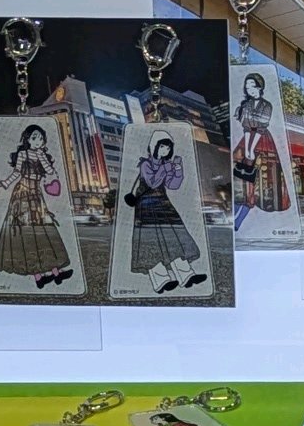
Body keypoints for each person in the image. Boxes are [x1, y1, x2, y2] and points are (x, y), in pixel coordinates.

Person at [0, 120, 76, 287]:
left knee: (45, 230)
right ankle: (38, 276)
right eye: (35, 138)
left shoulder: (41, 154)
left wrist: (44, 158)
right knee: (26, 232)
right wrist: (4, 183)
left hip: (36, 194)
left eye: (41, 139)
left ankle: (56, 273)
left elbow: (49, 171)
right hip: (22, 194)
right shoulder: (23, 154)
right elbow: (17, 173)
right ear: (27, 139)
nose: (38, 141)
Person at [123, 132, 210, 293]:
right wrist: (166, 168)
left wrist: (178, 170)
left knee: (174, 238)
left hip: (163, 204)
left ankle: (186, 276)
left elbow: (173, 185)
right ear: (154, 146)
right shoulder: (145, 164)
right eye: (162, 146)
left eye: (168, 147)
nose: (165, 150)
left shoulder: (165, 164)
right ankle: (161, 281)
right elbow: (152, 182)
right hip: (146, 206)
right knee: (152, 242)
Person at [231, 72, 291, 222]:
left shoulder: (267, 105)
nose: (249, 89)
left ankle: (244, 215)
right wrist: (247, 148)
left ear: (259, 87)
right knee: (242, 177)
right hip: (248, 138)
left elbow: (261, 128)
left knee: (264, 174)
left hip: (262, 139)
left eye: (252, 85)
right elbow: (246, 127)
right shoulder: (246, 105)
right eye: (247, 87)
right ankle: (237, 216)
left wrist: (251, 148)